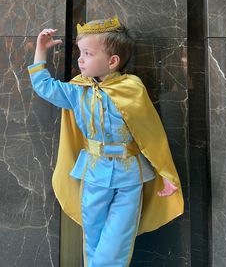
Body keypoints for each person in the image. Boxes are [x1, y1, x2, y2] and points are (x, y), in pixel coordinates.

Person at [28, 17, 184, 267]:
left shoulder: (132, 88)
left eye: (88, 53)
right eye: (80, 52)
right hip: (93, 174)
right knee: (93, 237)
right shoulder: (77, 90)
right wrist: (40, 50)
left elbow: (151, 134)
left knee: (117, 242)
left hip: (129, 175)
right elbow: (44, 86)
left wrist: (165, 171)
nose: (80, 59)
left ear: (113, 61)